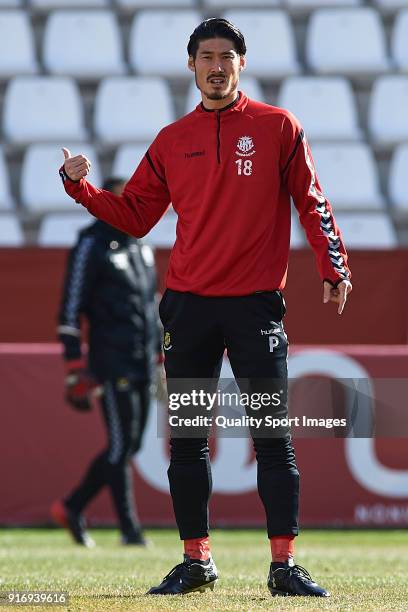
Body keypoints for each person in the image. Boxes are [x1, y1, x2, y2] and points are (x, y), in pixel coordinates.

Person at [58, 18, 352, 596]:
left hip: (255, 310)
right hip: (189, 310)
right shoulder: (171, 140)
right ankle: (197, 561)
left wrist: (332, 264)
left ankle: (284, 565)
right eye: (206, 56)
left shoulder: (278, 127)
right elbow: (137, 217)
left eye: (226, 56)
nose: (216, 66)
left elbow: (311, 200)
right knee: (188, 439)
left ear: (242, 64)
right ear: (191, 66)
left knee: (272, 436)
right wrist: (81, 189)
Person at [51, 177, 162, 548]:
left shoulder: (140, 243)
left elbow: (151, 306)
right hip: (110, 360)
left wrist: (162, 354)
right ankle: (130, 530)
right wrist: (72, 366)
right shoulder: (90, 243)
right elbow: (70, 309)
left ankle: (72, 506)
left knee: (130, 446)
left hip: (143, 360)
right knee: (120, 444)